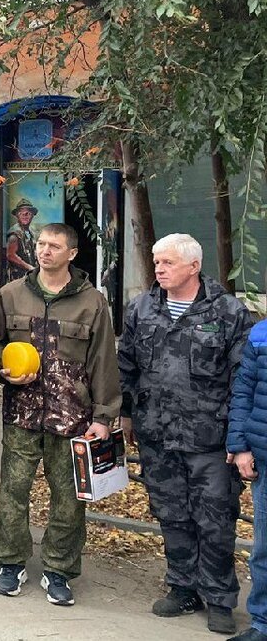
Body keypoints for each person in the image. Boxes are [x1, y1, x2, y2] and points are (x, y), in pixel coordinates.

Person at [119, 233, 251, 635]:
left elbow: (242, 378)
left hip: (209, 438)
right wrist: (124, 414)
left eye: (168, 263)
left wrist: (237, 437)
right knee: (171, 514)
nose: (158, 269)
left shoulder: (228, 312)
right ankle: (182, 586)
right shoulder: (141, 308)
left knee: (215, 519)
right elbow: (127, 365)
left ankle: (220, 597)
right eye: (157, 262)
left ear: (193, 266)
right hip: (157, 434)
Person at [0, 222, 121, 606]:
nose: (44, 251)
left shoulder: (92, 302)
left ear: (72, 254)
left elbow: (103, 362)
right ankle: (10, 563)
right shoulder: (11, 295)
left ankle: (59, 570)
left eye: (54, 246)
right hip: (21, 416)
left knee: (69, 499)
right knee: (13, 493)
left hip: (73, 418)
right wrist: (3, 369)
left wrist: (103, 416)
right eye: (42, 244)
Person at [227, 320, 267, 641]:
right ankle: (262, 623)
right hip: (264, 456)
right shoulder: (261, 334)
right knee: (264, 548)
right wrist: (239, 446)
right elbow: (244, 390)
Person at [5, 199, 39, 283]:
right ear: (17, 215)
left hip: (29, 276)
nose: (25, 215)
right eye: (21, 213)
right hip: (17, 277)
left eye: (28, 213)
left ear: (33, 215)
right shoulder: (14, 234)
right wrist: (30, 268)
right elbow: (10, 255)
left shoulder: (31, 232)